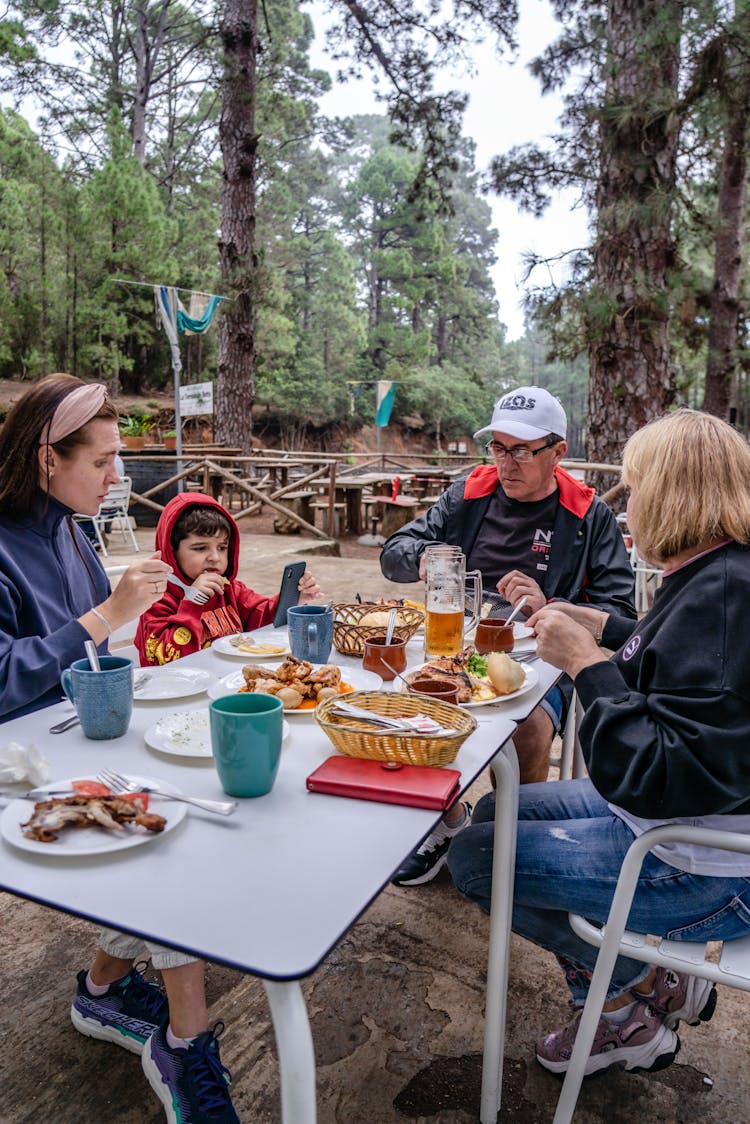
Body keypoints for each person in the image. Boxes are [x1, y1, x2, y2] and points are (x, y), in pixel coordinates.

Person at [447, 408, 750, 1078]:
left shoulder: (725, 597)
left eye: (637, 489)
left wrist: (586, 664)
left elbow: (656, 771)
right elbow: (675, 663)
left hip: (707, 861)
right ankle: (649, 981)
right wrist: (607, 627)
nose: (627, 508)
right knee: (494, 812)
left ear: (675, 494)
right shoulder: (719, 574)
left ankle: (625, 1003)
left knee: (471, 858)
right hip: (691, 819)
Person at [0, 374, 239, 1123]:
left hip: (70, 738)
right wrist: (108, 614)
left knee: (209, 785)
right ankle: (185, 1041)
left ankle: (102, 992)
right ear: (47, 459)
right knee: (167, 840)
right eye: (101, 462)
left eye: (117, 459)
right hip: (17, 759)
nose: (116, 478)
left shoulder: (70, 529)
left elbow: (90, 660)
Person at [380, 386, 636, 885]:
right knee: (403, 698)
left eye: (520, 450)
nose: (505, 463)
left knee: (528, 727)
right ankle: (446, 821)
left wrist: (554, 606)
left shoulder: (588, 514)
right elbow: (395, 551)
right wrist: (428, 560)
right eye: (497, 447)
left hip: (546, 655)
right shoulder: (469, 493)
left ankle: (509, 833)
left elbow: (620, 614)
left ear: (558, 452)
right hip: (456, 640)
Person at [135, 491, 321, 666]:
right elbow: (165, 660)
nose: (215, 557)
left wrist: (292, 600)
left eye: (222, 547)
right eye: (200, 548)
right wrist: (192, 603)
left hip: (228, 682)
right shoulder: (156, 598)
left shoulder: (230, 589)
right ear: (172, 552)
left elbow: (261, 615)